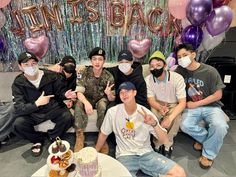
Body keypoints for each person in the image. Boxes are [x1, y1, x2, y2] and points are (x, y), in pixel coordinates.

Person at [95, 82, 186, 177]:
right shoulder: (112, 112)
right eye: (121, 92)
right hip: (125, 155)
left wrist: (154, 124)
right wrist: (96, 152)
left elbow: (165, 140)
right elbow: (103, 133)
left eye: (127, 91)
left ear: (135, 92)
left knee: (180, 173)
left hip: (146, 153)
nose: (124, 94)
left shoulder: (146, 113)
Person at [175, 43, 229, 169]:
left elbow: (218, 95)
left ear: (193, 55)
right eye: (179, 56)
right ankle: (209, 142)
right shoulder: (179, 71)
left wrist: (196, 104)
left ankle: (208, 155)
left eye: (185, 55)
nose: (182, 58)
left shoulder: (210, 71)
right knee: (185, 125)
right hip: (191, 108)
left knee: (220, 125)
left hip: (212, 106)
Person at [12, 52, 76, 157]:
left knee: (68, 117)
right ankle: (38, 140)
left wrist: (65, 94)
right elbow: (19, 108)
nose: (31, 67)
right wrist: (37, 104)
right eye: (26, 65)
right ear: (20, 66)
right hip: (33, 112)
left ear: (37, 63)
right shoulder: (18, 83)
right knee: (18, 124)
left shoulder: (50, 76)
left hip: (52, 108)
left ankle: (53, 137)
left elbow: (59, 93)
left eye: (33, 63)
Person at [145, 50, 186, 158]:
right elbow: (150, 99)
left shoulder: (177, 78)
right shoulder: (148, 79)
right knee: (153, 116)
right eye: (152, 66)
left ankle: (168, 144)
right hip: (157, 103)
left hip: (174, 103)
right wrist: (159, 107)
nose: (155, 68)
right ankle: (157, 143)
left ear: (164, 65)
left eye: (158, 65)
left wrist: (169, 118)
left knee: (175, 117)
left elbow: (182, 103)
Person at [74, 47, 115, 153]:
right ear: (91, 60)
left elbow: (112, 98)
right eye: (94, 59)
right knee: (79, 103)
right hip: (86, 98)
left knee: (102, 105)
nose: (97, 62)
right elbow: (79, 92)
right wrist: (86, 103)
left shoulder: (108, 76)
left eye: (100, 59)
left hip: (100, 100)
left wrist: (109, 93)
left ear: (104, 61)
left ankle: (102, 135)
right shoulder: (83, 72)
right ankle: (79, 135)